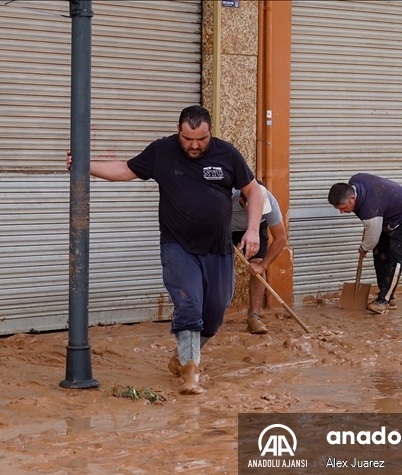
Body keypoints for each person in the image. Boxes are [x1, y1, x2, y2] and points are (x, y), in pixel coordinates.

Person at [70, 105, 266, 394]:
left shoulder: (227, 153)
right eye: (188, 139)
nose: (195, 145)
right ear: (179, 131)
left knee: (214, 314)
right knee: (189, 306)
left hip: (218, 249)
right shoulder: (162, 151)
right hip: (178, 247)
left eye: (201, 139)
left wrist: (252, 230)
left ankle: (182, 358)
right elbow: (125, 170)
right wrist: (84, 164)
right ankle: (191, 372)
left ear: (210, 132)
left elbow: (253, 190)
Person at [327, 173, 402, 314]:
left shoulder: (369, 209)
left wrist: (363, 248)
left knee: (395, 257)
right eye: (339, 209)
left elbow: (372, 239)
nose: (342, 212)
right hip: (387, 216)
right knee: (379, 254)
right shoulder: (355, 181)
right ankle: (388, 296)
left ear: (353, 198)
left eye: (343, 207)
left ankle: (384, 300)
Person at [231, 184, 286, 334]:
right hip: (225, 229)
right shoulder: (228, 197)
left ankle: (254, 316)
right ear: (242, 202)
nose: (261, 212)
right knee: (216, 266)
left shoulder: (271, 202)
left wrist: (263, 266)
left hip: (255, 229)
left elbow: (281, 238)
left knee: (257, 265)